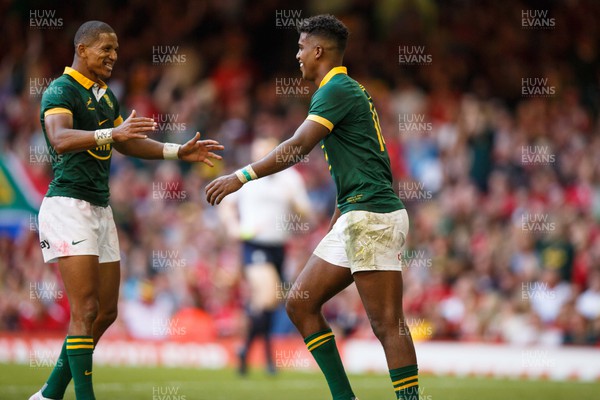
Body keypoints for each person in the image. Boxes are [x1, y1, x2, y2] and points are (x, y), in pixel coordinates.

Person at [207, 14, 418, 400]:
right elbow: (369, 160)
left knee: (387, 323)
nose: (298, 55)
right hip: (357, 212)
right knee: (300, 303)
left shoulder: (336, 89)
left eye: (302, 47)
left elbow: (296, 147)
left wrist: (240, 177)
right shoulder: (346, 90)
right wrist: (340, 211)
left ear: (319, 50)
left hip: (371, 215)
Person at [31, 20, 223, 400]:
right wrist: (109, 134)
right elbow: (59, 137)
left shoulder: (105, 96)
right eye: (105, 49)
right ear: (81, 49)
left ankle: (50, 393)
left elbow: (127, 143)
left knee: (105, 313)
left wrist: (175, 150)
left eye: (116, 50)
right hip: (68, 205)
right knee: (85, 309)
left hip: (100, 209)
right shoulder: (60, 89)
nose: (113, 56)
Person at [219, 137, 313, 375]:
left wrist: (298, 208)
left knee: (265, 303)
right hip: (254, 245)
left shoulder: (290, 179)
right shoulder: (246, 178)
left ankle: (248, 352)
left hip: (279, 247)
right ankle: (268, 357)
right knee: (268, 295)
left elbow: (306, 214)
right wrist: (233, 227)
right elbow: (226, 205)